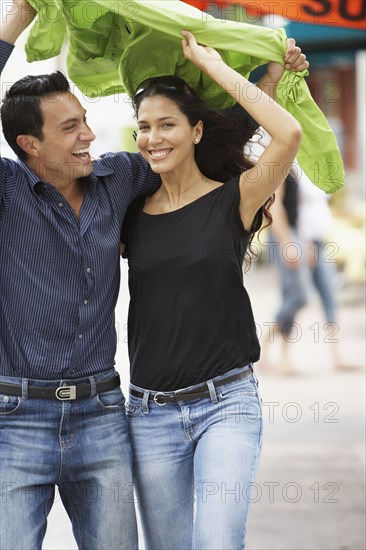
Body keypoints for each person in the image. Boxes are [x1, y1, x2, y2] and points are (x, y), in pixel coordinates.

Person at [0, 2, 308, 548]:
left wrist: (248, 69)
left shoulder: (145, 184)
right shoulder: (44, 196)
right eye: (71, 128)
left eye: (87, 122)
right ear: (30, 145)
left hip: (161, 408)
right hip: (78, 416)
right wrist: (15, 23)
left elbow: (244, 136)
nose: (91, 136)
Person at [121, 30, 305, 550]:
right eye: (143, 128)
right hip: (150, 414)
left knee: (218, 543)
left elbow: (287, 134)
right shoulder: (130, 211)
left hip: (225, 405)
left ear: (197, 130)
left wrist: (215, 65)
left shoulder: (235, 200)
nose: (152, 138)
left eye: (166, 125)